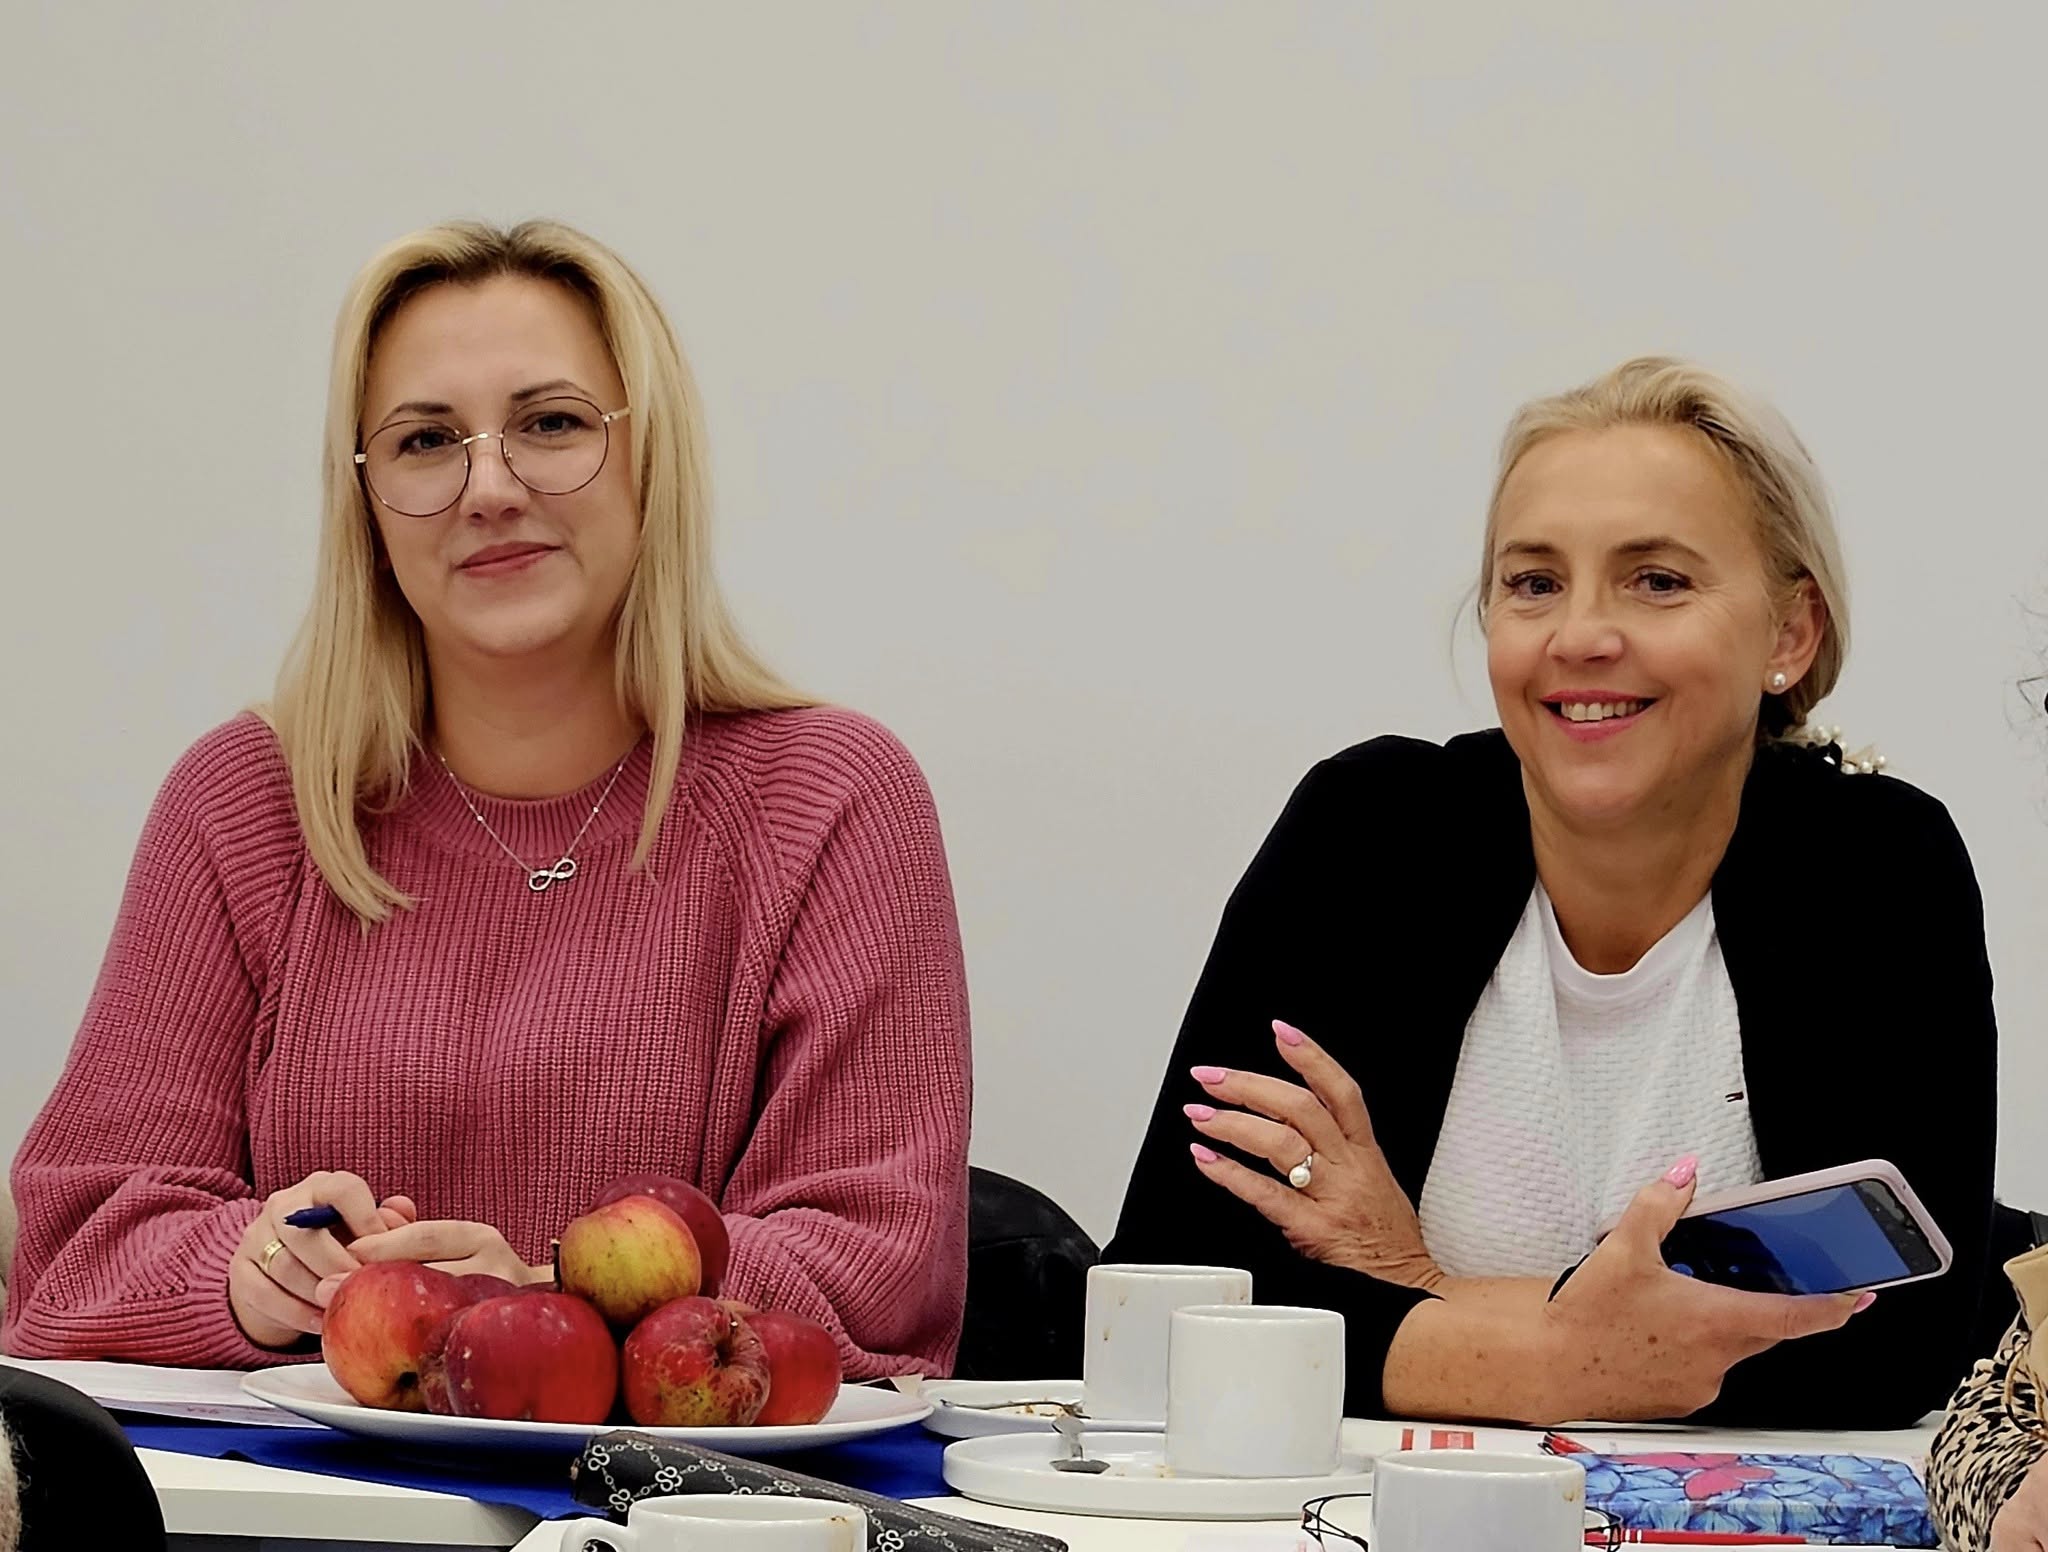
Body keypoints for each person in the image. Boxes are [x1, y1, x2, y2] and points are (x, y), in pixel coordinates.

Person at [2, 220, 972, 1377]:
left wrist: (544, 1296)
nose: (491, 488)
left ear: (651, 459)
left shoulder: (832, 799)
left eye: (551, 424)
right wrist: (256, 1273)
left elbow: (877, 1267)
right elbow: (71, 1251)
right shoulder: (247, 800)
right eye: (424, 441)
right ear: (366, 504)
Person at [1106, 356, 1995, 1427]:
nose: (1579, 636)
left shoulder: (1876, 865)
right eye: (1534, 583)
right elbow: (1162, 1308)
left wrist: (1417, 1282)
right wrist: (1575, 1348)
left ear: (1788, 633)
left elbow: (1892, 1346)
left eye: (1656, 581)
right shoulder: (1368, 836)